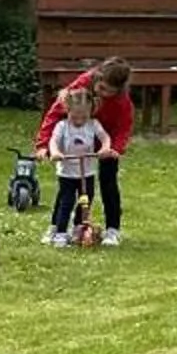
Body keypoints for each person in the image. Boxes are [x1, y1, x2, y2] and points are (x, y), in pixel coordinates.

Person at [34, 58, 132, 246]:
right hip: (78, 136)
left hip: (104, 140)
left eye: (107, 92)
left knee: (108, 183)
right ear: (97, 78)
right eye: (100, 87)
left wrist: (114, 149)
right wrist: (43, 145)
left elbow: (123, 127)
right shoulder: (84, 83)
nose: (100, 93)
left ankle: (113, 229)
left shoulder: (122, 101)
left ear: (118, 90)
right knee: (67, 190)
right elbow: (55, 112)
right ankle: (56, 228)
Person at [43, 85, 111, 247]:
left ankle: (78, 228)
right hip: (67, 173)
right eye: (75, 117)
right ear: (67, 111)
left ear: (90, 112)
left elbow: (104, 137)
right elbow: (53, 141)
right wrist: (55, 152)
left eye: (84, 117)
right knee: (66, 202)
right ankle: (60, 232)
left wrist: (104, 148)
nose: (79, 121)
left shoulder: (93, 124)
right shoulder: (62, 126)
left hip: (87, 172)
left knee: (85, 200)